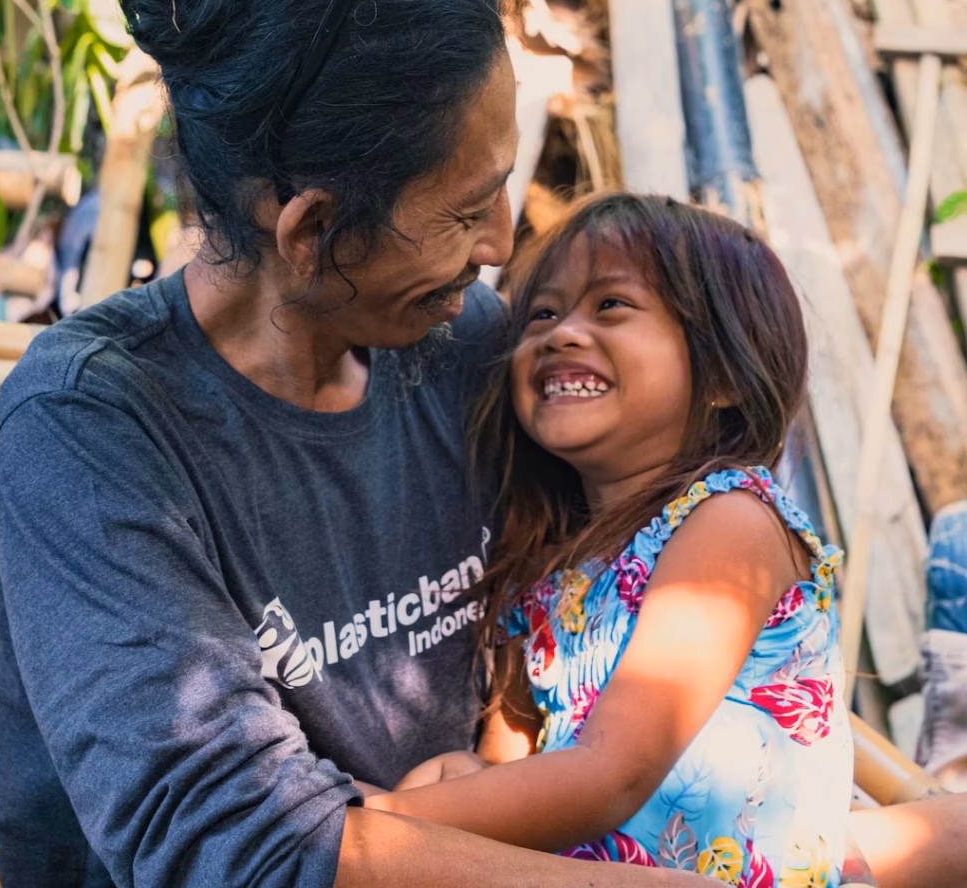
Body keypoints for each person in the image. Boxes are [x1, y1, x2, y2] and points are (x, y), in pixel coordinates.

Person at [0, 0, 965, 888]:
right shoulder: (92, 427)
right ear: (314, 231)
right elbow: (238, 852)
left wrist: (896, 808)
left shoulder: (459, 348)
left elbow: (667, 646)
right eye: (464, 211)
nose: (502, 247)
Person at [360, 194, 854, 885]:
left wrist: (360, 831)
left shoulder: (729, 521)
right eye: (543, 313)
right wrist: (468, 775)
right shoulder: (546, 564)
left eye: (611, 306)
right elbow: (522, 769)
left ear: (722, 378)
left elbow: (610, 776)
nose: (560, 334)